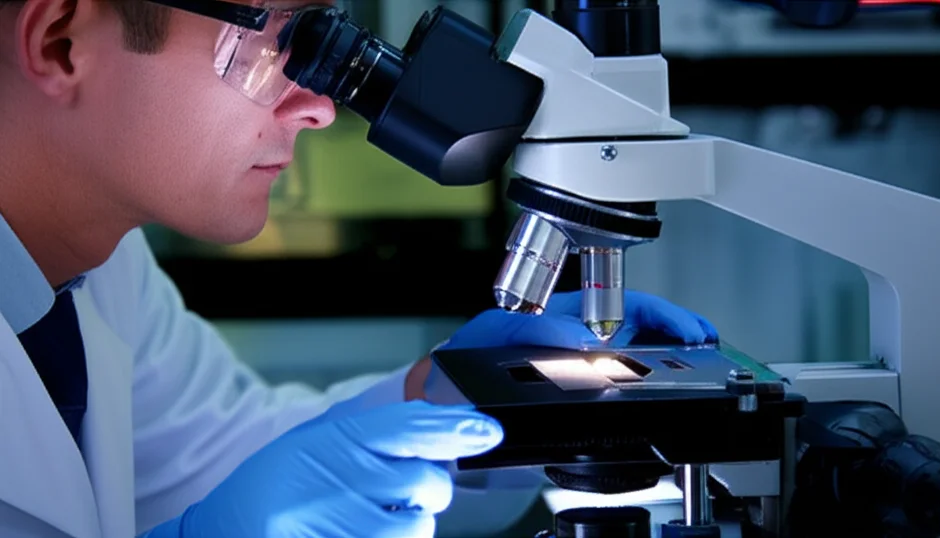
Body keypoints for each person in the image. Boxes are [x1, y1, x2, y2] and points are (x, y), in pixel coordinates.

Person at [0, 1, 720, 537]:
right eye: (273, 41)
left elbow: (222, 462)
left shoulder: (99, 271)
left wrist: (445, 399)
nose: (318, 108)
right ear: (61, 41)